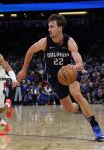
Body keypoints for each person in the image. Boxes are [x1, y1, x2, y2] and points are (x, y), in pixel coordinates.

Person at [17, 14, 104, 142]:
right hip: (53, 77)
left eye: (52, 27)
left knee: (77, 94)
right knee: (69, 109)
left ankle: (96, 127)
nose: (49, 29)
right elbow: (30, 50)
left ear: (60, 28)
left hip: (69, 73)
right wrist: (24, 70)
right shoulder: (45, 42)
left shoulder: (70, 42)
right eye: (49, 27)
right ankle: (80, 108)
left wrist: (74, 67)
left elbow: (80, 64)